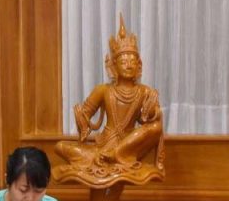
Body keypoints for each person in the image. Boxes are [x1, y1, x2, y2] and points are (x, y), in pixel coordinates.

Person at [55, 15, 164, 182]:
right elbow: (86, 116)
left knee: (156, 127)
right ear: (113, 66)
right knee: (60, 146)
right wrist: (82, 120)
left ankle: (117, 154)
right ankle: (106, 156)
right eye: (123, 61)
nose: (129, 65)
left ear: (139, 65)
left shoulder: (144, 91)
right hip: (103, 145)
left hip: (129, 146)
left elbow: (150, 119)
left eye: (132, 61)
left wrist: (151, 112)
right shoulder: (103, 90)